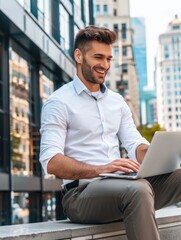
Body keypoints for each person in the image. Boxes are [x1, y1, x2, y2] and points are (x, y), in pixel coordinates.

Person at [39, 26, 181, 240]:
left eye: (108, 59)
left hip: (124, 187)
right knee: (139, 190)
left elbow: (135, 144)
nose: (105, 65)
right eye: (98, 57)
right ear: (78, 56)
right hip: (80, 196)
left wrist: (158, 156)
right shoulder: (58, 102)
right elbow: (51, 161)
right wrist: (101, 169)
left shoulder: (117, 102)